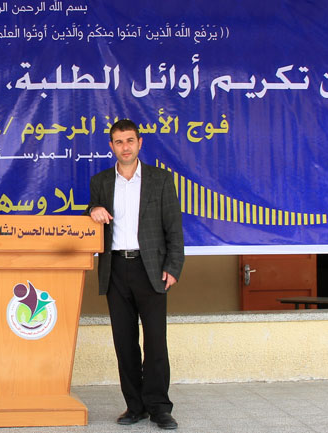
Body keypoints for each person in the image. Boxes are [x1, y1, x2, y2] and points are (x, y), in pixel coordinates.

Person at [86, 119, 184, 430]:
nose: (125, 147)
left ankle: (159, 407)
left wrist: (173, 267)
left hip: (151, 269)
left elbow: (174, 228)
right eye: (119, 142)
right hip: (115, 269)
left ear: (140, 143)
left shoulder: (160, 179)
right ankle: (135, 406)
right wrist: (92, 211)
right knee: (124, 343)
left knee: (155, 342)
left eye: (130, 141)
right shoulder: (101, 181)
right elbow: (92, 214)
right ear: (111, 146)